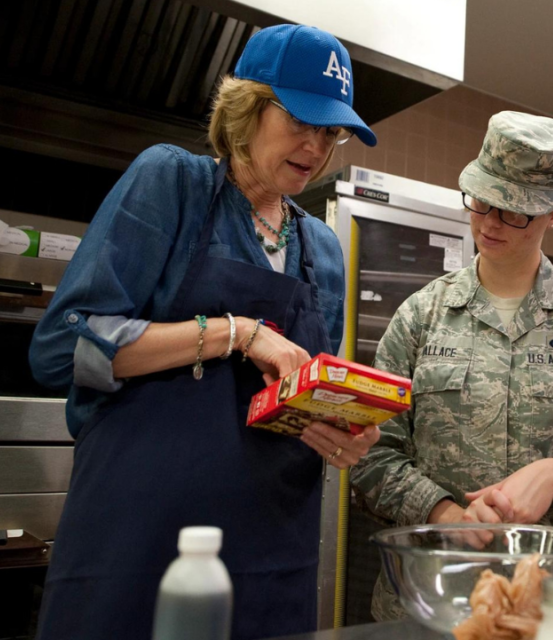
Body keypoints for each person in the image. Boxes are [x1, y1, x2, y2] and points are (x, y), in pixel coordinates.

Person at [29, 24, 380, 640]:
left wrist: (340, 426)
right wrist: (237, 332)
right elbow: (64, 347)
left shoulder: (321, 247)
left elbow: (300, 394)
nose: (316, 146)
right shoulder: (174, 183)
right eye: (300, 119)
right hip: (140, 544)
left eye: (331, 131)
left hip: (273, 551)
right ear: (246, 108)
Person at [350, 111, 553, 621]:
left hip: (546, 610)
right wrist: (442, 512)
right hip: (428, 605)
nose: (490, 222)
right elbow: (370, 455)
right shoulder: (420, 317)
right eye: (482, 201)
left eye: (514, 212)